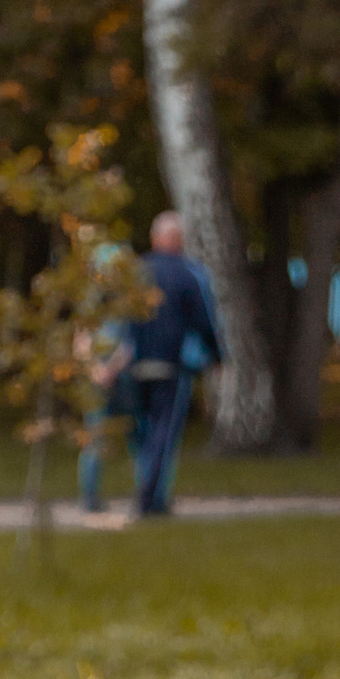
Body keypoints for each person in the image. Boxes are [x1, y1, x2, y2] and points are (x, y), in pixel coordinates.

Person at [125, 210, 225, 518]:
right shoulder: (189, 273)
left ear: (155, 238)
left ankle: (147, 490)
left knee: (141, 432)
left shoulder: (135, 272)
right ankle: (150, 498)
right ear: (179, 240)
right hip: (171, 364)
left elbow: (121, 319)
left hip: (134, 363)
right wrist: (217, 357)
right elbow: (205, 320)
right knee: (163, 433)